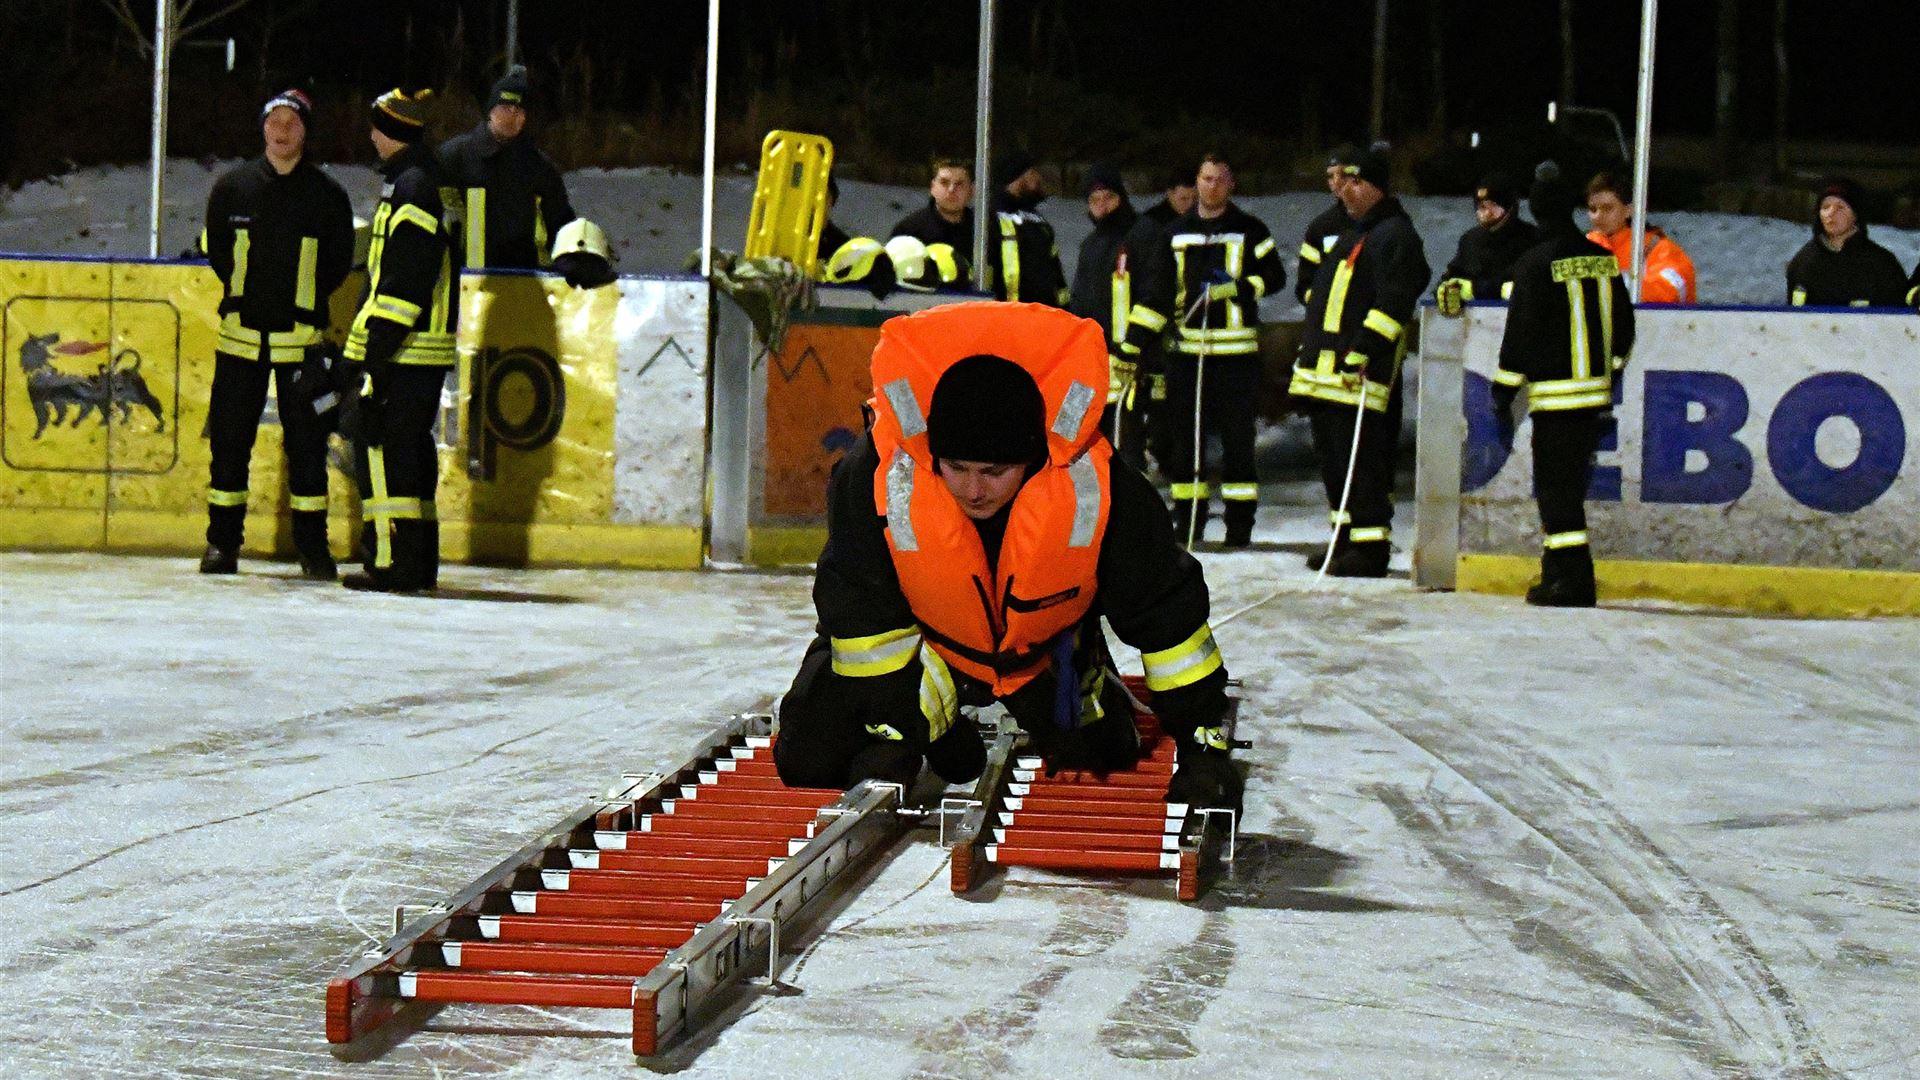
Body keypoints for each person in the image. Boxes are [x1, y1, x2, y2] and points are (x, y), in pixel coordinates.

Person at [772, 301, 1240, 813]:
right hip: (926, 645)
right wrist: (916, 732)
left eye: (994, 472)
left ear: (1031, 458)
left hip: (1039, 654)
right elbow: (858, 613)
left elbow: (1169, 624)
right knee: (808, 760)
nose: (974, 491)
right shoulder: (873, 478)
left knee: (1101, 757)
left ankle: (1092, 679)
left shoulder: (1103, 491)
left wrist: (1203, 746)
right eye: (956, 468)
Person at [198, 89, 355, 580]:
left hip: (302, 348)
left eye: (291, 122)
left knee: (308, 452)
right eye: (274, 121)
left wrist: (300, 310)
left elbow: (335, 265)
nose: (281, 129)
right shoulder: (232, 189)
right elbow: (220, 254)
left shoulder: (327, 197)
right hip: (239, 342)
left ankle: (313, 550)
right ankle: (222, 545)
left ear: (305, 131)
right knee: (229, 446)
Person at [1122, 153, 1286, 547]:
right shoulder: (1175, 233)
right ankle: (1189, 521)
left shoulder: (1250, 230)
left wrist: (1239, 288)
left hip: (1236, 355)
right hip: (1186, 354)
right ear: (1196, 182)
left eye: (1220, 179)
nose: (1212, 186)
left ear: (1231, 184)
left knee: (1238, 441)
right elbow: (1158, 291)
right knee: (1185, 440)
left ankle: (1239, 525)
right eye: (1206, 179)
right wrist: (1141, 339)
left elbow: (1275, 277)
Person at [1492, 163, 1636, 607]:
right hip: (1593, 399)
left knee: (1556, 495)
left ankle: (1574, 582)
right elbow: (1624, 328)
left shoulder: (1534, 263)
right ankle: (1557, 575)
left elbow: (1519, 333)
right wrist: (1607, 371)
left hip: (1556, 399)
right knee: (1569, 491)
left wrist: (1502, 388)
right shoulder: (1601, 258)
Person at [1289, 142, 1430, 577]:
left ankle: (1370, 550)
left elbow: (1393, 304)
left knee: (1365, 462)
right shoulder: (1358, 233)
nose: (1344, 191)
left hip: (1360, 377)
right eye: (1342, 182)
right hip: (1329, 378)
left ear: (1373, 186)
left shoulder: (1395, 237)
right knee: (1336, 463)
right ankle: (1344, 540)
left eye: (1354, 182)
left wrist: (1364, 350)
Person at [340, 88, 461, 593]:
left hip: (405, 348)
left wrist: (377, 351)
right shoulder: (420, 182)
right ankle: (415, 561)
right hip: (416, 347)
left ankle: (391, 562)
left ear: (394, 132)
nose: (371, 136)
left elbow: (404, 279)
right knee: (409, 453)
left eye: (377, 127)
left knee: (385, 451)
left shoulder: (414, 188)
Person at [438, 66, 575, 272]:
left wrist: (574, 257)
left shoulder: (538, 167)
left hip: (522, 283)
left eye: (519, 111)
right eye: (504, 108)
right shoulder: (455, 156)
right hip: (463, 283)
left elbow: (561, 223)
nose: (512, 116)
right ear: (489, 113)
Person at [1069, 164, 1161, 470]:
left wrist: (1133, 346)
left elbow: (1155, 296)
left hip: (1136, 365)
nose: (1101, 206)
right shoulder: (1090, 246)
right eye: (1094, 200)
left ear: (1120, 197)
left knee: (1130, 454)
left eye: (1108, 197)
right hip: (1098, 368)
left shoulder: (1142, 234)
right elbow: (1081, 305)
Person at [1783, 178, 1908, 308]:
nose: (1831, 213)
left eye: (1840, 208)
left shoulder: (1881, 264)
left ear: (1856, 215)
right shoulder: (1803, 263)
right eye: (1825, 207)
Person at [1435, 173, 1540, 316]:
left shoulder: (1531, 239)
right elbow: (1450, 278)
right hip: (1475, 328)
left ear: (1509, 207)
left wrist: (1476, 289)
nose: (1485, 213)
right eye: (1481, 206)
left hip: (1518, 324)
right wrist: (1444, 292)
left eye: (1493, 205)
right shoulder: (1470, 240)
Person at [1585, 171, 1695, 305]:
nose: (1598, 216)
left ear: (1629, 210)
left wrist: (1607, 283)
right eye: (1593, 209)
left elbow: (1670, 292)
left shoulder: (1661, 249)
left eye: (1607, 209)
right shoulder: (1582, 247)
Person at [986, 152, 1070, 305]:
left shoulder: (1037, 220)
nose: (1038, 178)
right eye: (1032, 172)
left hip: (1043, 317)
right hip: (1005, 316)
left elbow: (1056, 275)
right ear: (1018, 177)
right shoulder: (989, 218)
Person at [889, 157, 976, 290]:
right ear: (932, 187)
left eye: (959, 184)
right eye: (944, 182)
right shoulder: (909, 231)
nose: (951, 190)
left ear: (971, 191)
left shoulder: (982, 231)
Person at [1297, 145, 1356, 305]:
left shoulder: (1383, 221)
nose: (1336, 182)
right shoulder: (1321, 227)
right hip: (1332, 324)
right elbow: (1304, 285)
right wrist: (1321, 304)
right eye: (1331, 176)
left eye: (1343, 174)